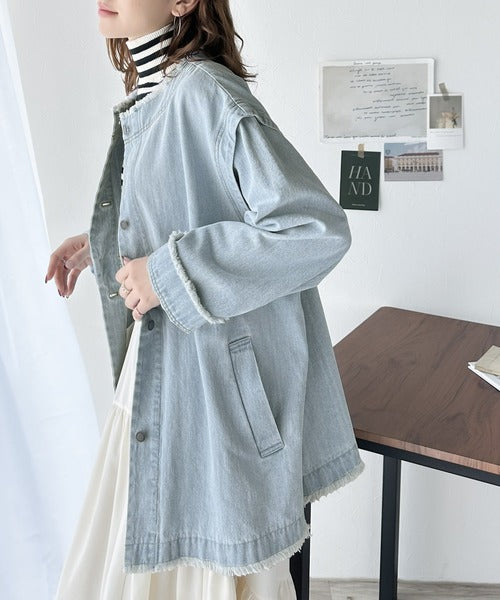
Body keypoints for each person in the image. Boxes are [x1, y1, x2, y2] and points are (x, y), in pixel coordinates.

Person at [46, 0, 365, 598]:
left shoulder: (204, 92)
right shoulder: (160, 90)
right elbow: (188, 207)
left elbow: (314, 230)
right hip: (166, 377)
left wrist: (167, 273)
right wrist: (100, 243)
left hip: (207, 396)